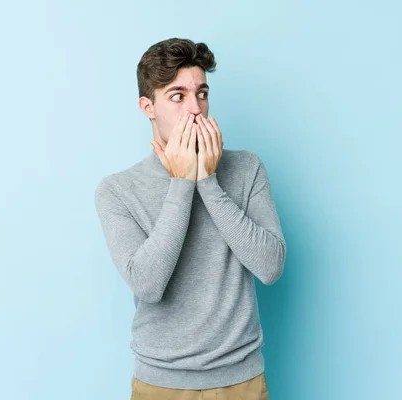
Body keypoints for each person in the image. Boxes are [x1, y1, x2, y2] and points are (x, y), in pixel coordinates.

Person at [94, 37, 286, 400]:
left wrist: (208, 182)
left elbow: (271, 267)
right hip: (161, 384)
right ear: (148, 107)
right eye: (177, 96)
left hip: (241, 380)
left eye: (202, 93)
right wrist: (182, 183)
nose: (195, 109)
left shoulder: (246, 168)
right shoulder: (118, 190)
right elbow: (148, 285)